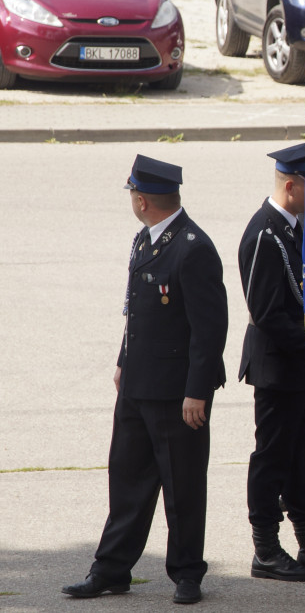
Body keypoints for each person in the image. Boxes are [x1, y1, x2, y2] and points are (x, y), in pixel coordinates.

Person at [62, 155, 228, 605]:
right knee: (127, 480)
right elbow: (136, 310)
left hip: (177, 395)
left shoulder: (192, 247)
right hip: (138, 385)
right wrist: (123, 359)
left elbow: (210, 328)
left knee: (183, 488)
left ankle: (188, 573)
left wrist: (197, 391)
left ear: (141, 200)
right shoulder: (146, 239)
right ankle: (112, 569)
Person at [237, 144, 305, 583]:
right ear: (291, 186)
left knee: (299, 454)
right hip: (279, 366)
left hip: (301, 366)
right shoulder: (265, 233)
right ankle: (266, 549)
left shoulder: (292, 228)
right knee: (273, 457)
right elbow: (269, 314)